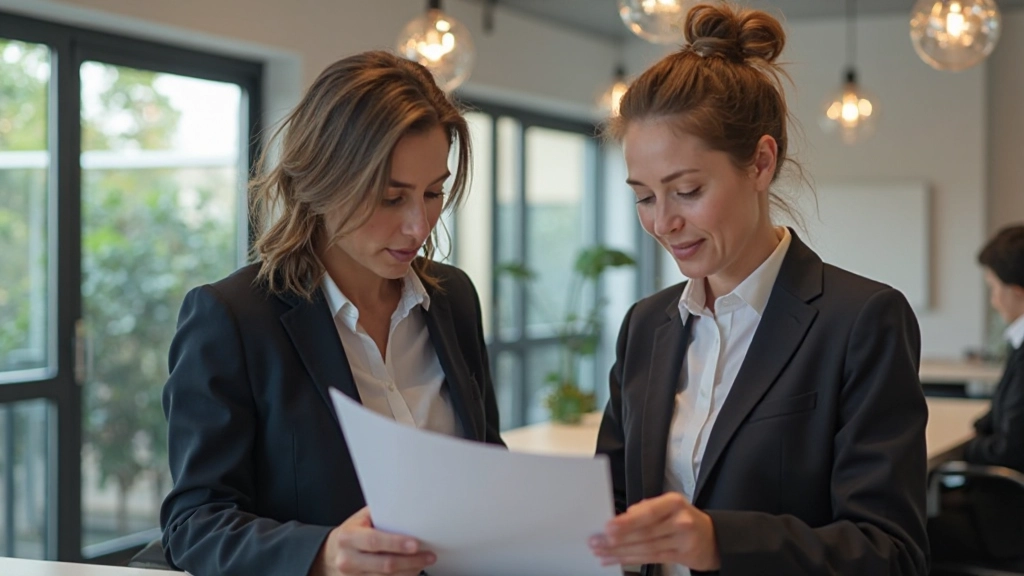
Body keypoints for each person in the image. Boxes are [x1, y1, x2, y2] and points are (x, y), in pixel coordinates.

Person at [590, 4, 929, 575]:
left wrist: (720, 542)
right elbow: (611, 509)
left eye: (688, 189)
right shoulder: (646, 326)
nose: (663, 222)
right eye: (645, 196)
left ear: (761, 162)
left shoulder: (861, 321)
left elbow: (892, 554)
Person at [159, 50, 503, 576]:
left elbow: (484, 462)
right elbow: (194, 523)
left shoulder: (454, 298)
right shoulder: (233, 318)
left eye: (433, 193)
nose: (419, 225)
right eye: (391, 198)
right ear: (324, 181)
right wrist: (322, 554)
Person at [928, 224, 1024, 565]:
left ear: (1016, 291)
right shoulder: (1019, 344)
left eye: (994, 288)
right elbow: (1000, 414)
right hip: (1005, 502)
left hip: (1008, 520)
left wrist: (969, 447)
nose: (994, 299)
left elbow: (1008, 449)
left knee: (909, 532)